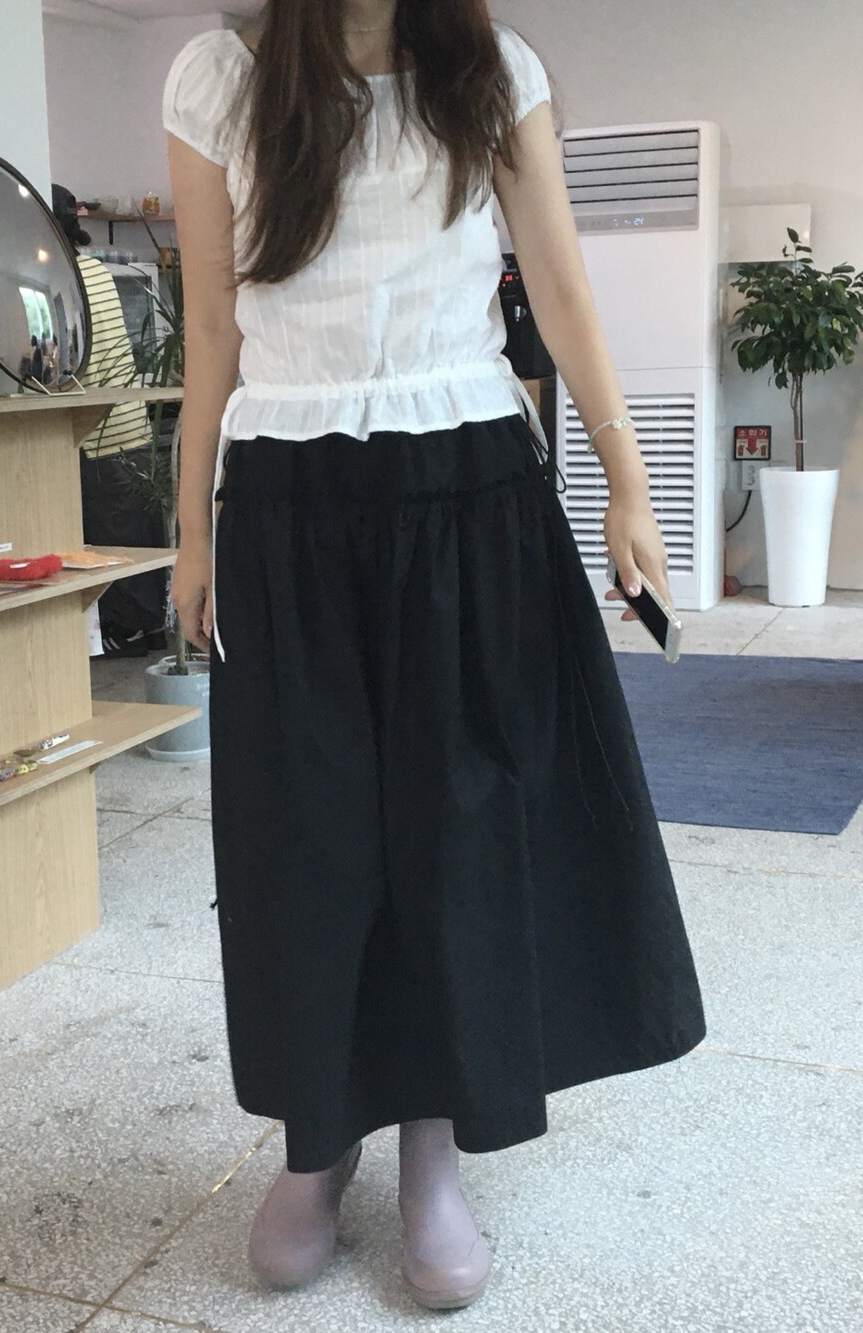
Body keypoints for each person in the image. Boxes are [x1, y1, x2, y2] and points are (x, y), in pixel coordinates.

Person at [163, 0, 706, 1311]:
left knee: (455, 833)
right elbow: (211, 332)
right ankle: (318, 1138)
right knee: (307, 842)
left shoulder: (490, 71)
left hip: (467, 492)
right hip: (286, 501)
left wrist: (629, 482)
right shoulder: (217, 78)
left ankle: (432, 1147)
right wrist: (188, 537)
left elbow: (559, 286)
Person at [51, 184, 168, 657]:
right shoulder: (96, 270)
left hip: (98, 433)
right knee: (139, 535)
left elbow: (72, 363)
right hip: (130, 424)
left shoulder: (61, 278)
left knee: (110, 540)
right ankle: (151, 630)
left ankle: (127, 633)